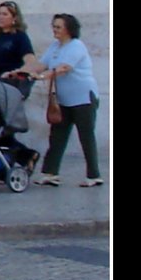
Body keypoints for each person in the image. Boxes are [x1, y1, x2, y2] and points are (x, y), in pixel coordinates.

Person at [27, 13, 102, 187]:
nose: (54, 29)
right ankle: (50, 172)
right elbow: (41, 64)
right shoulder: (55, 46)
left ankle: (94, 175)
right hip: (63, 100)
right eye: (53, 26)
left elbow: (63, 68)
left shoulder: (77, 46)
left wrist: (43, 76)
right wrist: (21, 71)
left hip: (83, 98)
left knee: (86, 136)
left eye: (58, 27)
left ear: (68, 29)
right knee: (57, 135)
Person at [0, 0, 37, 97]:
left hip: (9, 85)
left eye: (5, 14)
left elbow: (31, 61)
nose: (0, 17)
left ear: (14, 18)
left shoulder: (20, 36)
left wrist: (15, 73)